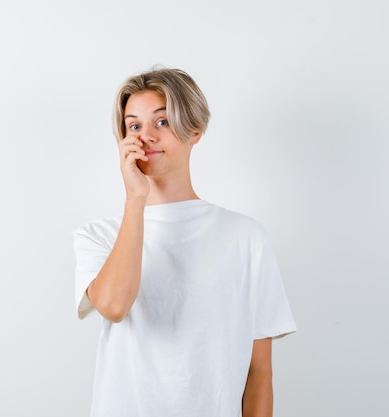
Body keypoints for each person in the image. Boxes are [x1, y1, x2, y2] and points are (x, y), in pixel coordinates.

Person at [73, 68, 296, 417]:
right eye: (133, 126)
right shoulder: (97, 236)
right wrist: (136, 199)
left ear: (194, 130)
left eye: (161, 122)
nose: (145, 136)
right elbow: (115, 306)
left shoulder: (245, 237)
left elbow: (258, 372)